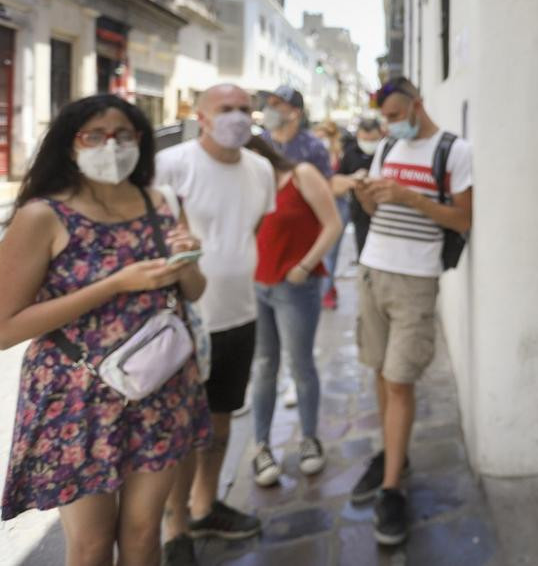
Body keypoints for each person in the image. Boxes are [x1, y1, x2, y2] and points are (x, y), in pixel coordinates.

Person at [0, 94, 210, 565]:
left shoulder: (162, 201)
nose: (110, 146)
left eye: (122, 135)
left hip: (158, 386)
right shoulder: (43, 216)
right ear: (70, 144)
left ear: (140, 141)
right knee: (91, 544)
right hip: (75, 398)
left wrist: (187, 262)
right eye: (94, 135)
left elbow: (194, 290)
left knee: (142, 535)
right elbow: (4, 329)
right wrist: (115, 285)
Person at [156, 84, 277, 564]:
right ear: (201, 117)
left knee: (221, 421)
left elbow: (253, 228)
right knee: (183, 429)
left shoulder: (261, 168)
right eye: (225, 109)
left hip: (240, 313)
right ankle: (176, 525)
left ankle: (206, 506)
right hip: (186, 321)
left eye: (245, 109)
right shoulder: (174, 165)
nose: (238, 117)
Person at [351, 78, 472, 546]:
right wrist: (367, 192)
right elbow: (373, 210)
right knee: (381, 373)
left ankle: (391, 489)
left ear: (418, 106)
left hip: (415, 280)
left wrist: (411, 198)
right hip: (372, 270)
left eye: (397, 114)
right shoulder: (386, 148)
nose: (390, 125)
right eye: (385, 118)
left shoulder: (454, 151)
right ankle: (391, 455)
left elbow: (463, 219)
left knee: (400, 379)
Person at [244, 137, 342, 487]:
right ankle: (261, 448)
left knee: (300, 366)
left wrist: (305, 266)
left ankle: (310, 439)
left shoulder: (301, 175)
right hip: (257, 287)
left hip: (295, 288)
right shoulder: (249, 187)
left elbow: (333, 224)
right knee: (264, 366)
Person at [332, 117, 385, 259]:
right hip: (359, 210)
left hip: (383, 210)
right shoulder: (350, 153)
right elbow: (338, 179)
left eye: (372, 140)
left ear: (380, 135)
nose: (368, 144)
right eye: (364, 139)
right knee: (363, 250)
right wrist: (354, 179)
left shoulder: (387, 152)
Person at [312, 119, 347, 310]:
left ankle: (325, 292)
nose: (319, 140)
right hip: (315, 205)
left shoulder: (338, 155)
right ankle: (328, 286)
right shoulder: (310, 155)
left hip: (337, 204)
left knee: (330, 253)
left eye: (323, 136)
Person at [259, 85, 331, 178]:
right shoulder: (260, 142)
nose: (268, 109)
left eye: (276, 104)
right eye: (268, 104)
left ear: (295, 113)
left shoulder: (313, 147)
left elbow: (325, 186)